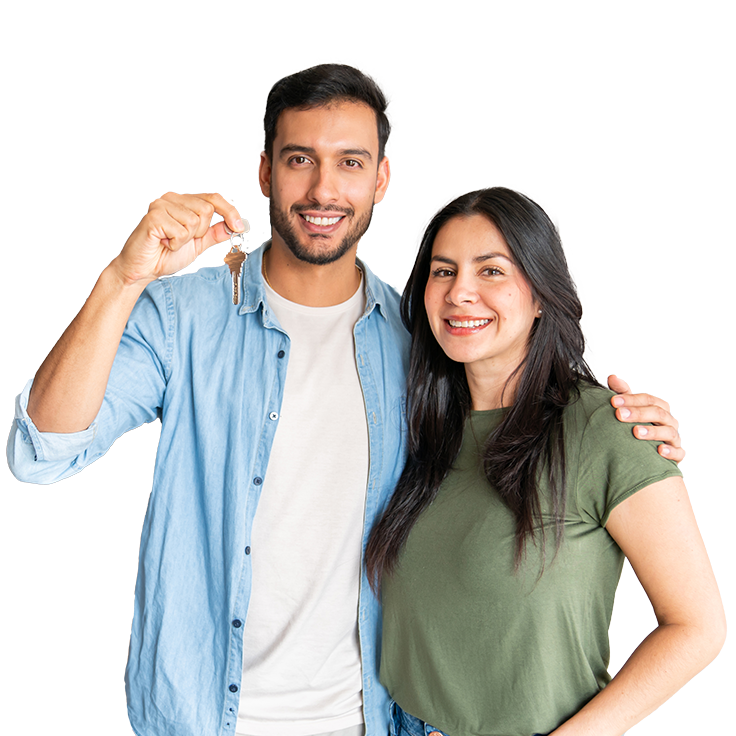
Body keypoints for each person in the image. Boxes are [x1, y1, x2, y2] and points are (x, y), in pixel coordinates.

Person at [7, 64, 683, 736]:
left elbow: (511, 404)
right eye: (301, 160)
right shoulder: (180, 318)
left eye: (351, 162)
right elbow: (42, 453)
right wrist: (122, 279)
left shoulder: (420, 338)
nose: (324, 188)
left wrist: (622, 426)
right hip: (200, 716)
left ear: (380, 177)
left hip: (368, 717)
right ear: (267, 171)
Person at [365, 187, 725, 736]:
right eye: (443, 271)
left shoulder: (606, 428)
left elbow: (697, 626)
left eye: (491, 271)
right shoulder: (417, 427)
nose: (460, 292)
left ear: (539, 296)